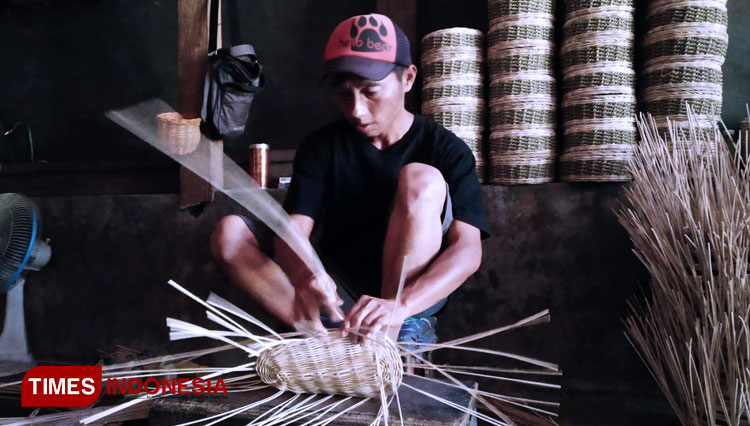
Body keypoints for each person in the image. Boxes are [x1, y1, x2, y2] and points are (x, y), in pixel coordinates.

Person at [210, 13, 489, 344]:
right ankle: (321, 337)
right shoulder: (322, 147)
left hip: (408, 299)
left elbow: (468, 250)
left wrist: (400, 305)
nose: (356, 110)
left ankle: (386, 338)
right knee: (229, 234)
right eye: (344, 93)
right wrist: (307, 275)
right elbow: (293, 232)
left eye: (370, 91)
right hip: (338, 297)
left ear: (409, 78)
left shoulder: (446, 149)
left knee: (422, 180)